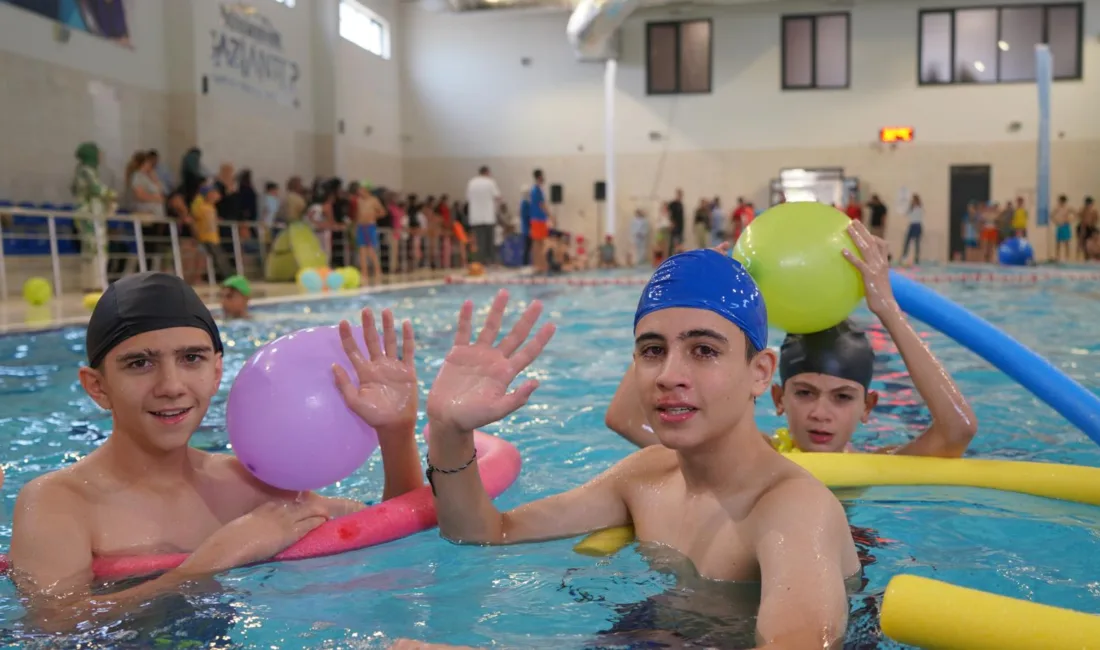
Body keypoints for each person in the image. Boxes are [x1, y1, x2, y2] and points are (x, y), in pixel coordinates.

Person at [421, 252, 860, 649]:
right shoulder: (647, 476)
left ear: (760, 373)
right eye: (653, 350)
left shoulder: (793, 509)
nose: (669, 375)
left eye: (703, 350)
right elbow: (485, 532)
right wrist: (447, 430)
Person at [9, 272, 424, 633]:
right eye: (140, 363)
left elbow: (393, 533)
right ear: (97, 386)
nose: (171, 385)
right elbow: (54, 627)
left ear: (216, 371)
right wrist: (207, 565)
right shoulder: (59, 502)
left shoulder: (248, 486)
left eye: (192, 358)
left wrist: (397, 432)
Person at [607, 222, 977, 458]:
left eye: (843, 397)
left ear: (869, 407)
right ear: (778, 397)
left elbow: (957, 430)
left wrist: (888, 310)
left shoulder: (878, 465)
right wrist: (685, 303)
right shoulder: (755, 458)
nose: (820, 413)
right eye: (804, 392)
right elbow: (624, 419)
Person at [466, 166, 502, 266]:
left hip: (475, 217)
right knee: (489, 241)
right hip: (488, 217)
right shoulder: (490, 182)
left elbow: (468, 198)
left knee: (479, 242)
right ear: (487, 172)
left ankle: (479, 262)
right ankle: (491, 261)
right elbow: (498, 197)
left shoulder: (471, 183)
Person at [356, 183, 385, 282]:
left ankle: (378, 271)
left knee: (371, 250)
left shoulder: (374, 200)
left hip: (370, 226)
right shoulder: (359, 201)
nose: (359, 191)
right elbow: (358, 214)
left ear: (366, 190)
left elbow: (382, 212)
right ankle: (364, 273)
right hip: (361, 226)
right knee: (362, 250)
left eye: (361, 189)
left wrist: (373, 216)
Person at [529, 170, 551, 272]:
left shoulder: (534, 190)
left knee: (537, 242)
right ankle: (540, 265)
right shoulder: (537, 190)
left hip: (536, 219)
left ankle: (538, 265)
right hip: (539, 219)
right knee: (540, 243)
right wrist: (550, 216)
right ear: (540, 177)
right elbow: (542, 205)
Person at [1052, 195, 1075, 263]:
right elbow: (1051, 215)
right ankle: (1057, 257)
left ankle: (1067, 257)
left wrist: (1070, 220)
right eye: (1060, 201)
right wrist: (1056, 222)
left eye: (1062, 201)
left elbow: (1075, 213)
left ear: (1064, 201)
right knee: (1058, 242)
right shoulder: (1057, 208)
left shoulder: (1068, 208)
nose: (1061, 202)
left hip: (1066, 225)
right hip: (1060, 226)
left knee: (1066, 243)